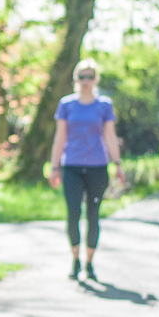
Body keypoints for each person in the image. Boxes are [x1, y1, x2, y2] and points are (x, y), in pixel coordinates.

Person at [48, 57, 125, 283]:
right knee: (73, 214)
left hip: (97, 167)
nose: (86, 81)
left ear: (95, 79)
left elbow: (110, 136)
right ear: (76, 79)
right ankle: (75, 259)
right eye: (82, 77)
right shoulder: (66, 104)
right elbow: (60, 137)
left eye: (90, 77)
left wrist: (117, 164)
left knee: (93, 215)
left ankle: (89, 262)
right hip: (71, 165)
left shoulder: (104, 105)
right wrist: (54, 167)